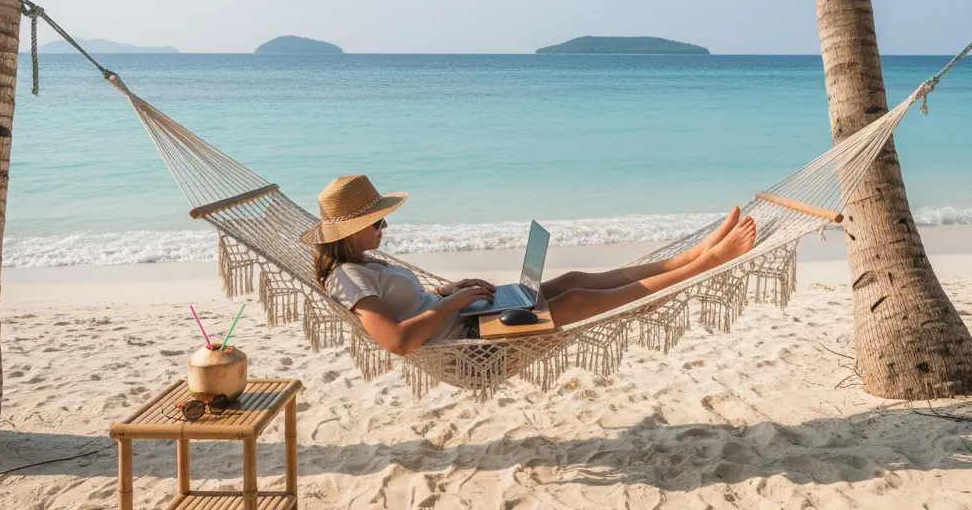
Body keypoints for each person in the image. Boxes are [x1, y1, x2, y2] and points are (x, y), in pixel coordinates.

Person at [301, 174, 756, 356]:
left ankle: (690, 256)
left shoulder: (362, 260)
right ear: (348, 229)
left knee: (573, 280)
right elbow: (397, 341)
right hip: (469, 344)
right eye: (376, 220)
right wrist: (453, 303)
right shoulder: (349, 277)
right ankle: (710, 261)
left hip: (468, 317)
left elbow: (408, 303)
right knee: (579, 298)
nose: (384, 226)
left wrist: (447, 291)